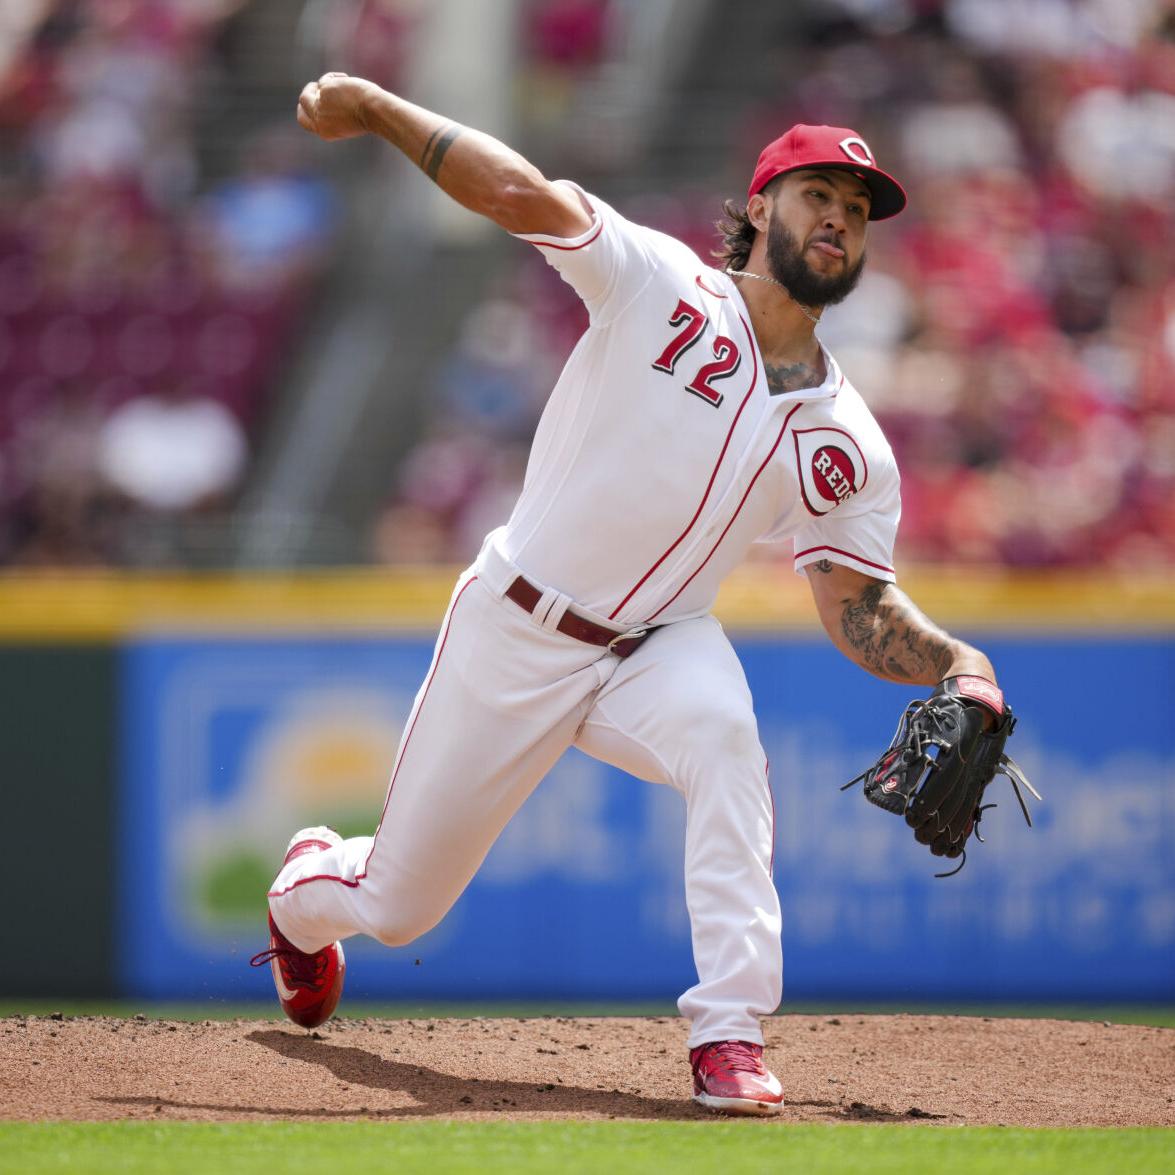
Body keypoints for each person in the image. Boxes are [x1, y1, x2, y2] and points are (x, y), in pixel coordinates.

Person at [251, 73, 1004, 1116]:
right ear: (757, 209)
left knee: (726, 741)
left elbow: (854, 601)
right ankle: (302, 897)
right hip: (518, 621)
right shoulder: (662, 285)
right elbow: (519, 194)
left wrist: (958, 663)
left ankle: (728, 1033)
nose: (837, 216)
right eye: (816, 194)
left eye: (855, 208)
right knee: (397, 904)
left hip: (659, 642)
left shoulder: (851, 440)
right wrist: (379, 110)